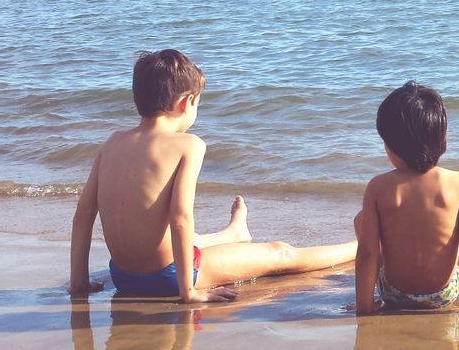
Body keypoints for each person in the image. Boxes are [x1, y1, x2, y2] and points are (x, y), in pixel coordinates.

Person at [68, 49, 357, 303]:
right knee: (280, 253)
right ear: (186, 102)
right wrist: (188, 291)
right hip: (168, 279)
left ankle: (235, 234)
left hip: (123, 276)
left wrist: (79, 283)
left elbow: (83, 216)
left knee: (187, 238)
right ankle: (361, 247)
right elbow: (179, 218)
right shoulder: (189, 145)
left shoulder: (112, 143)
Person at [354, 81, 459, 314]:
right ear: (442, 139)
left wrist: (364, 307)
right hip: (445, 294)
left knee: (362, 221)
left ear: (390, 147)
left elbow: (368, 252)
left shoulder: (378, 187)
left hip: (394, 294)